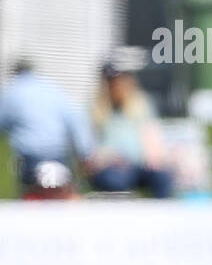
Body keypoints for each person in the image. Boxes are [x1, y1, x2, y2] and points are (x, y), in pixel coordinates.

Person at [0, 59, 94, 197]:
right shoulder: (52, 88)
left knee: (31, 196)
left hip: (29, 158)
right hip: (59, 155)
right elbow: (75, 119)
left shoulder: (12, 91)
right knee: (65, 194)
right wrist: (85, 153)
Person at [88, 63, 173, 198]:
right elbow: (89, 148)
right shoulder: (96, 111)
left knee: (162, 178)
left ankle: (160, 215)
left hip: (139, 166)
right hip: (112, 167)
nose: (117, 87)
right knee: (115, 181)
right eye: (112, 82)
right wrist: (106, 156)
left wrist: (155, 157)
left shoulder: (141, 105)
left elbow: (152, 135)